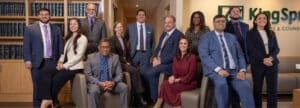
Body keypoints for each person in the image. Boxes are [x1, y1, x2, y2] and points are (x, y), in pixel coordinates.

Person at [198, 15, 255, 108]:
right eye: (218, 21)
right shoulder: (206, 37)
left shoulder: (232, 37)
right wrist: (218, 70)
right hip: (215, 71)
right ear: (213, 23)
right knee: (222, 84)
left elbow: (240, 55)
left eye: (223, 21)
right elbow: (204, 56)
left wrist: (242, 70)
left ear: (225, 23)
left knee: (245, 85)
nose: (221, 23)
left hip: (234, 71)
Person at [36, 18, 88, 108]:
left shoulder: (83, 38)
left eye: (75, 24)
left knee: (55, 80)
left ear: (79, 25)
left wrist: (63, 66)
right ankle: (51, 100)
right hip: (65, 65)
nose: (72, 26)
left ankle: (50, 101)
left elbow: (78, 57)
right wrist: (60, 62)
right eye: (70, 24)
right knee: (44, 71)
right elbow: (64, 53)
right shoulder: (69, 37)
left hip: (74, 67)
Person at [23, 8, 64, 108]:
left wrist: (60, 60)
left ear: (50, 16)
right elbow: (26, 45)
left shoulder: (56, 29)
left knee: (51, 87)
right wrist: (27, 59)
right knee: (37, 87)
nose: (44, 16)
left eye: (46, 14)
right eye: (42, 14)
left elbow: (60, 46)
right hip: (37, 63)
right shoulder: (30, 28)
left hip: (52, 62)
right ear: (38, 16)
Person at [146, 15, 183, 103]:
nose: (167, 24)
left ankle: (155, 100)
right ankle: (150, 96)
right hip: (159, 62)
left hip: (170, 64)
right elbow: (158, 47)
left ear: (174, 23)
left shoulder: (178, 35)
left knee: (150, 73)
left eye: (169, 22)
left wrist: (160, 61)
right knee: (144, 71)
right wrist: (155, 57)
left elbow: (175, 54)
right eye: (165, 22)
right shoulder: (164, 34)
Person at [109, 22, 147, 106]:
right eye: (118, 27)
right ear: (114, 29)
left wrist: (130, 62)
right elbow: (114, 55)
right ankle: (139, 96)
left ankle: (135, 97)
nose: (120, 28)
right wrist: (125, 61)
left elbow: (127, 54)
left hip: (126, 62)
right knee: (134, 71)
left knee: (138, 69)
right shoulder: (112, 39)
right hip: (118, 63)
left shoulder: (123, 39)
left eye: (121, 27)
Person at [247, 12, 280, 108]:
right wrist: (264, 59)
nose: (262, 20)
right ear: (255, 20)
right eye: (259, 18)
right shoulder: (250, 33)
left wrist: (270, 58)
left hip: (272, 64)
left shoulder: (271, 33)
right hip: (258, 65)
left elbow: (276, 48)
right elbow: (251, 49)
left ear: (267, 20)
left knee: (273, 90)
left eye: (264, 18)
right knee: (257, 90)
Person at [153, 37, 198, 108]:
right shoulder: (176, 57)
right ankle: (175, 105)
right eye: (181, 43)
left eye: (185, 43)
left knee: (165, 85)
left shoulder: (192, 57)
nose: (183, 45)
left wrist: (178, 79)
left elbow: (191, 75)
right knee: (165, 83)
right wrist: (173, 77)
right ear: (178, 45)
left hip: (189, 83)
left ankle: (160, 104)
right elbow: (175, 73)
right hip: (178, 82)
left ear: (188, 46)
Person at [85, 38, 128, 108]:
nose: (105, 49)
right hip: (97, 84)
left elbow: (119, 74)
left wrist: (113, 82)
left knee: (124, 87)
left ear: (110, 48)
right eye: (103, 47)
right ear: (99, 48)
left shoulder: (115, 57)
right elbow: (88, 74)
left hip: (111, 83)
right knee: (94, 91)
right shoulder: (91, 57)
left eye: (107, 47)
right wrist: (99, 83)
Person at [125, 8, 155, 103]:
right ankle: (135, 98)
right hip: (134, 55)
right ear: (136, 16)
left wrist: (152, 55)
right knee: (134, 75)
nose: (141, 16)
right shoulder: (130, 27)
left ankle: (144, 97)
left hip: (146, 54)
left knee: (144, 75)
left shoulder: (150, 28)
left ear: (145, 17)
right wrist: (127, 53)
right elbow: (125, 40)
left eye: (143, 15)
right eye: (139, 15)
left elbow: (153, 43)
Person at [224, 7, 249, 108]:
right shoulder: (225, 25)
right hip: (230, 59)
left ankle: (237, 104)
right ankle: (233, 104)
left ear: (240, 13)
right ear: (230, 13)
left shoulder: (245, 26)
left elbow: (248, 42)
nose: (236, 13)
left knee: (240, 82)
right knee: (231, 83)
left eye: (238, 11)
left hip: (243, 59)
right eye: (233, 11)